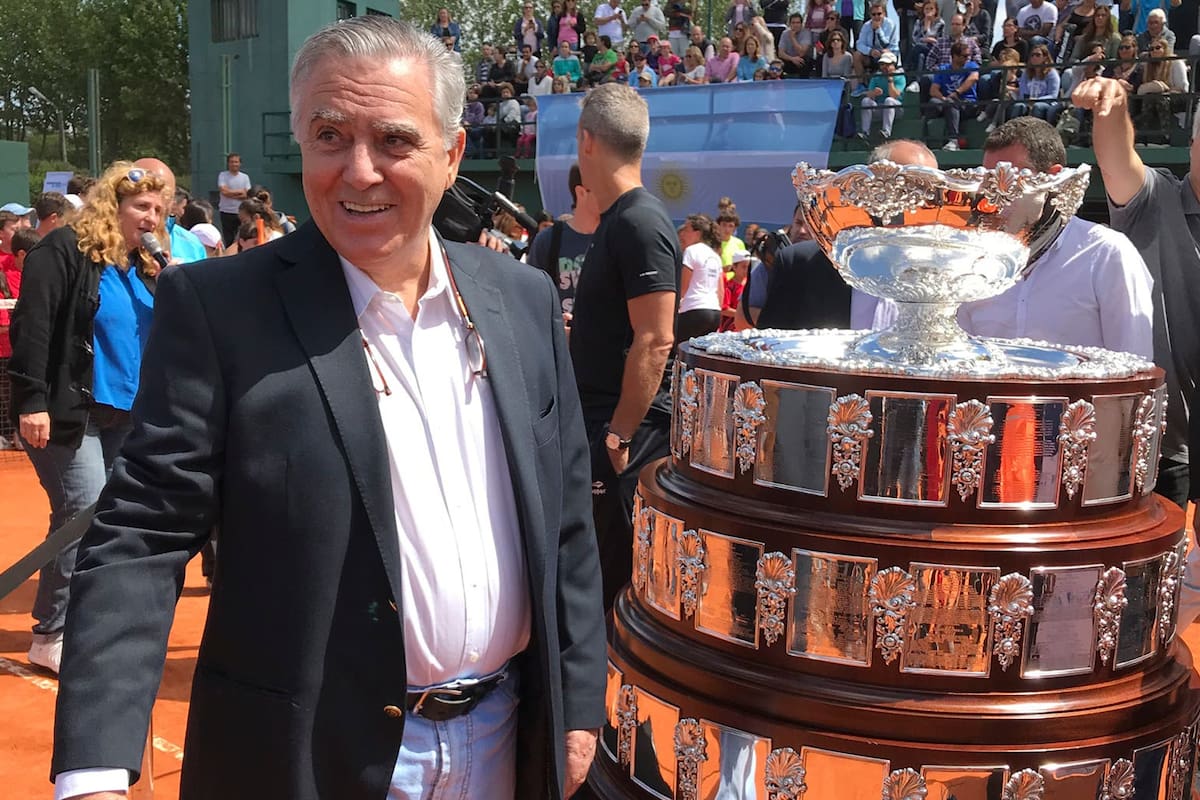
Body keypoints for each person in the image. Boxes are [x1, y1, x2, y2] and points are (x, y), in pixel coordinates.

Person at [50, 17, 605, 800]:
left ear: (451, 154)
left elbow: (567, 522)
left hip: (510, 737)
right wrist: (96, 767)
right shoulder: (219, 308)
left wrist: (578, 701)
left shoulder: (523, 300)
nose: (358, 171)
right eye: (329, 135)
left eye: (394, 140)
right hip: (305, 758)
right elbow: (143, 527)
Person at [8, 162, 168, 676]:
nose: (151, 217)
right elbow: (32, 326)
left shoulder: (143, 265)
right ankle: (51, 633)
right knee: (84, 511)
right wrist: (31, 400)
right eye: (141, 206)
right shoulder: (63, 252)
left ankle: (89, 624)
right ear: (112, 206)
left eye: (158, 210)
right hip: (68, 411)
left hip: (127, 411)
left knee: (114, 519)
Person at [1071, 75, 1198, 617]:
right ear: (1193, 142)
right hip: (1165, 440)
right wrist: (1112, 105)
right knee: (1147, 590)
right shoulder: (1156, 200)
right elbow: (1116, 156)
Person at [571, 82, 679, 611]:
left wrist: (617, 438)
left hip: (624, 438)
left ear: (586, 141)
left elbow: (657, 339)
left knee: (612, 592)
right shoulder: (621, 220)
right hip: (607, 426)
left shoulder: (639, 220)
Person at [959, 117, 1154, 360]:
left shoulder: (1106, 253)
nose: (995, 198)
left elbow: (1133, 365)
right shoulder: (971, 262)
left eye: (1009, 181)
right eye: (988, 184)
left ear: (1052, 178)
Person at [527, 164, 600, 321]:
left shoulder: (617, 236)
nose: (611, 195)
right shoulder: (548, 240)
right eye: (604, 188)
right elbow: (530, 301)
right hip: (559, 341)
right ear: (581, 193)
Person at [675, 213, 724, 341]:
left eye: (686, 229)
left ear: (697, 233)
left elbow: (683, 286)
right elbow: (720, 291)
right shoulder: (714, 255)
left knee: (679, 353)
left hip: (693, 310)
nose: (682, 234)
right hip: (714, 312)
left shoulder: (691, 251)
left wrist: (676, 307)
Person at [927, 41, 980, 150]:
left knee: (950, 103)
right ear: (954, 56)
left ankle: (953, 140)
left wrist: (957, 92)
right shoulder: (943, 69)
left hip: (968, 103)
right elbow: (933, 90)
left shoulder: (971, 65)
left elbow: (974, 78)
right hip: (948, 102)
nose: (967, 58)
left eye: (968, 56)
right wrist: (944, 98)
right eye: (964, 56)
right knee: (933, 102)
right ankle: (927, 139)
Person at [1009, 43, 1061, 122]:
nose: (1034, 57)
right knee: (1018, 106)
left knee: (1037, 106)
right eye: (1032, 55)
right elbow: (1023, 91)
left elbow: (1053, 95)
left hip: (1045, 103)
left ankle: (1035, 131)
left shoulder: (1052, 73)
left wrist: (1036, 100)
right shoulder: (1026, 73)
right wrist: (1028, 100)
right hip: (1028, 102)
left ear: (1045, 57)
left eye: (1038, 55)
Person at [853, 1, 900, 90]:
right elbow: (859, 44)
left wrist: (878, 30)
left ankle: (886, 84)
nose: (876, 17)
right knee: (856, 55)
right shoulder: (866, 26)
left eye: (879, 14)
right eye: (874, 14)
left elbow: (891, 45)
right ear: (870, 15)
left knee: (887, 56)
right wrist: (870, 51)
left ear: (884, 14)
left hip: (887, 54)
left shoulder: (890, 24)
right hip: (872, 55)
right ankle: (861, 85)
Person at [860, 51, 906, 139]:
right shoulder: (876, 77)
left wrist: (890, 80)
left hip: (896, 110)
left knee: (889, 100)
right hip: (879, 108)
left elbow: (894, 96)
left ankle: (886, 132)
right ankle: (865, 132)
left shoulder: (900, 77)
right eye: (882, 64)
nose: (884, 67)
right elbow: (868, 94)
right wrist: (873, 93)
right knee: (866, 101)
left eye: (887, 64)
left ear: (893, 65)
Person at [217, 152, 251, 246]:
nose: (234, 164)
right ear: (228, 163)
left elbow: (247, 194)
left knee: (242, 236)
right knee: (228, 238)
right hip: (226, 211)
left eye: (236, 162)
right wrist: (240, 192)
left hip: (241, 212)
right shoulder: (223, 175)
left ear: (240, 163)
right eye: (232, 162)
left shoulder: (245, 177)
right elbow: (224, 192)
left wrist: (230, 193)